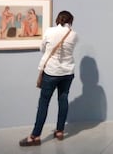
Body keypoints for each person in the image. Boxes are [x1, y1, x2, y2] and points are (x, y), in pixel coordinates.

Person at [19, 10, 78, 146]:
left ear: (58, 19)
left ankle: (35, 136)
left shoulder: (49, 31)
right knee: (63, 99)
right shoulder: (74, 35)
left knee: (44, 103)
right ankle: (60, 131)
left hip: (51, 72)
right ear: (70, 21)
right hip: (68, 72)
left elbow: (42, 49)